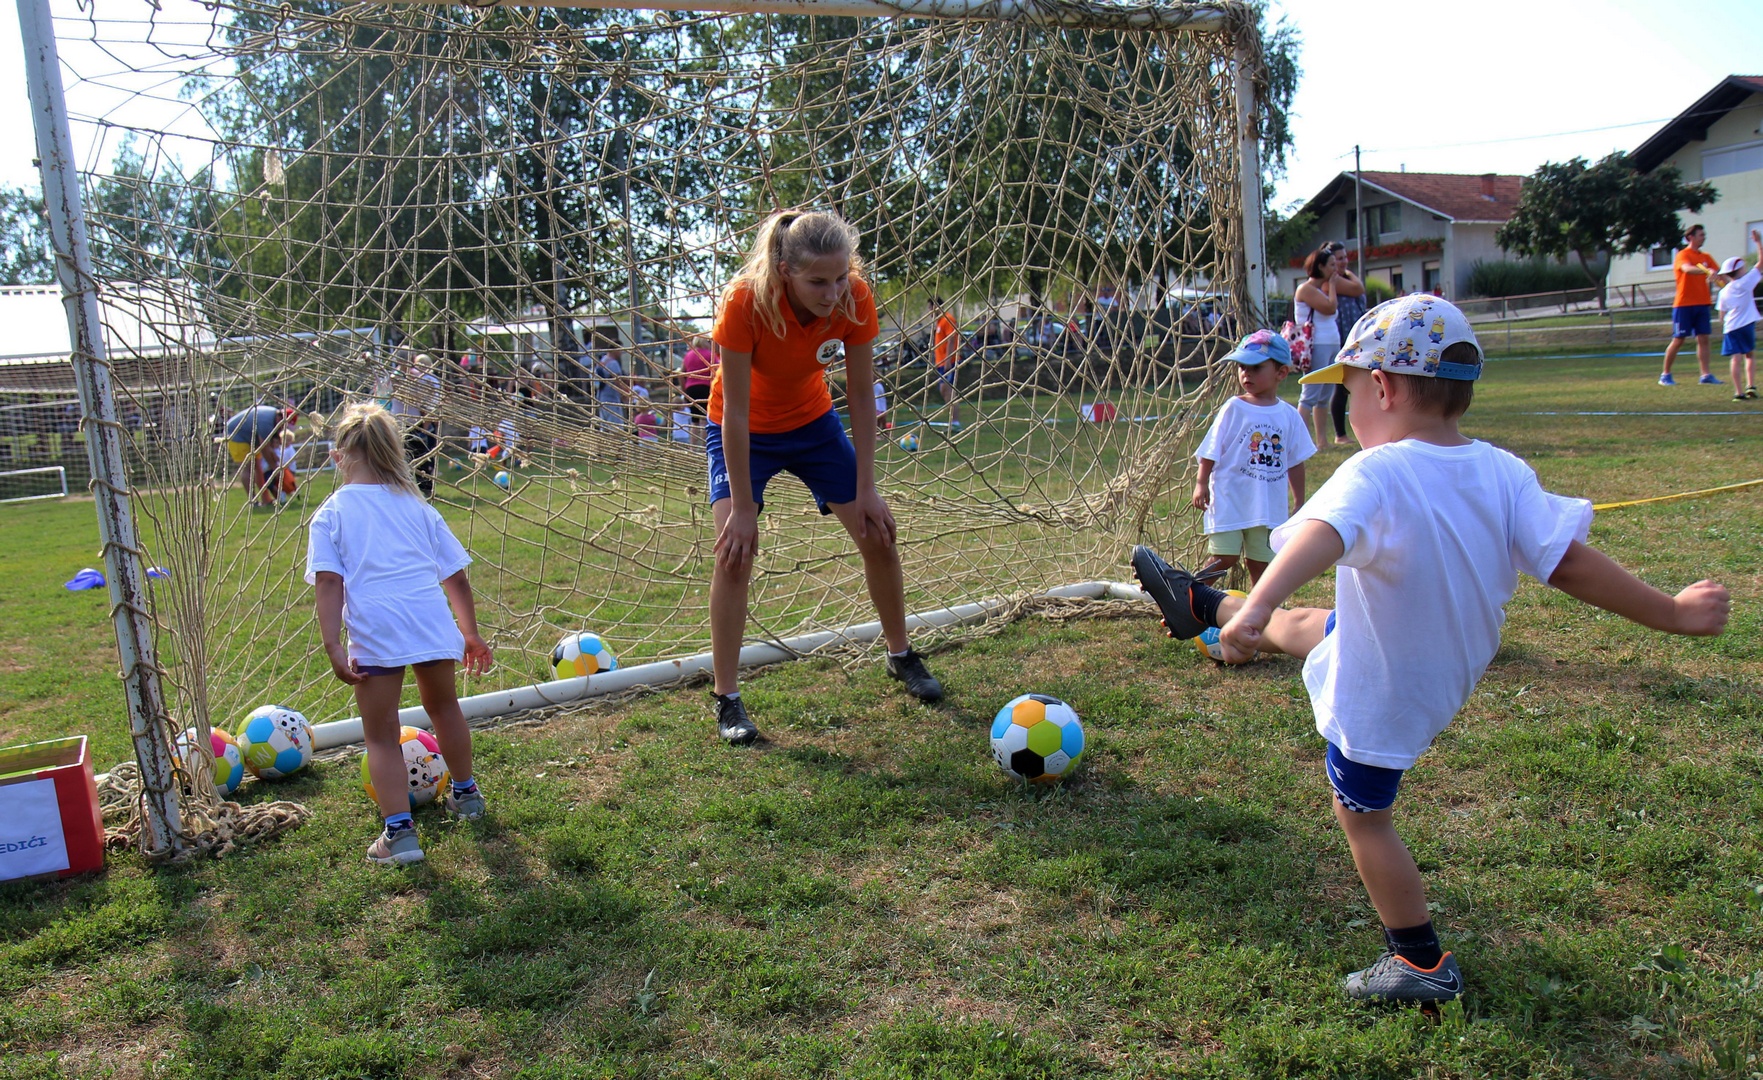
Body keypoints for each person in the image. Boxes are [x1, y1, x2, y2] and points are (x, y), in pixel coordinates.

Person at [1131, 295, 1731, 1006]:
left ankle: (1418, 963)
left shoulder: (1375, 471)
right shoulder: (1503, 470)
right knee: (1321, 624)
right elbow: (1565, 562)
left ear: (1379, 387)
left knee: (1362, 817)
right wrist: (1670, 612)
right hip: (1447, 663)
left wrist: (1259, 600)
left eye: (1345, 393)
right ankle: (1204, 608)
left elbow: (1319, 535)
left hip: (1386, 689)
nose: (1344, 412)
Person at [706, 209, 944, 745]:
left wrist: (868, 488)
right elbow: (736, 414)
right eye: (818, 281)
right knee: (734, 553)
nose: (833, 291)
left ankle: (901, 656)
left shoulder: (855, 298)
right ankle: (727, 699)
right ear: (783, 269)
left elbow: (861, 395)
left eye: (840, 277)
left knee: (877, 535)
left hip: (814, 424)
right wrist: (743, 509)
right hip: (742, 429)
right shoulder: (745, 301)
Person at [306, 402, 494, 866]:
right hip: (430, 622)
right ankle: (467, 797)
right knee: (445, 708)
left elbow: (330, 583)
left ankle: (400, 836)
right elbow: (457, 578)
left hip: (376, 632)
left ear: (337, 457)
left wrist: (332, 644)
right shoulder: (418, 506)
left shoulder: (330, 514)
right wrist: (469, 634)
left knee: (381, 734)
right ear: (395, 452)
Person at [1190, 330, 1313, 587]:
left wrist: (1300, 500)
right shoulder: (1233, 408)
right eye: (1242, 367)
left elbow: (1295, 461)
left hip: (1268, 506)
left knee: (1261, 563)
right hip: (1230, 499)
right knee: (1224, 556)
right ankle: (1188, 598)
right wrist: (1201, 482)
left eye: (1255, 368)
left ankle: (1263, 612)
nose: (1246, 374)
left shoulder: (1289, 416)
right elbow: (1210, 449)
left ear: (1281, 373)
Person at [1661, 224, 1723, 386]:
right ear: (1691, 237)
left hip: (1702, 303)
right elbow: (1687, 269)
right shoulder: (1683, 255)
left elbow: (1718, 275)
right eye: (1701, 235)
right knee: (1679, 339)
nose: (1704, 237)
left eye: (1704, 234)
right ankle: (1665, 375)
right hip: (1684, 305)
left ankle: (1706, 375)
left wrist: (1724, 280)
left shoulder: (1706, 256)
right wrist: (1706, 271)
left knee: (1703, 338)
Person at [1293, 248, 1343, 448]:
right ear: (1320, 267)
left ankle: (1322, 441)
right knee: (1310, 395)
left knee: (1324, 397)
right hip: (1316, 344)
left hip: (1331, 343)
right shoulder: (1305, 289)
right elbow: (1330, 307)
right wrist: (1331, 286)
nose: (1335, 268)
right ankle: (1300, 443)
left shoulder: (1321, 289)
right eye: (1331, 264)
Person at [1325, 241, 1367, 446]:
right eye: (1338, 259)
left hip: (1355, 336)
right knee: (1341, 387)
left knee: (1353, 385)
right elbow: (1359, 288)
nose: (1344, 262)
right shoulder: (1333, 280)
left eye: (1345, 257)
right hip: (1343, 337)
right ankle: (1339, 434)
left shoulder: (1342, 278)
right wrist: (1347, 273)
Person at [385, 354, 443, 499]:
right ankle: (401, 489)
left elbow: (425, 399)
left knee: (421, 457)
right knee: (400, 457)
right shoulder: (394, 376)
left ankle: (426, 489)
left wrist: (426, 421)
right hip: (398, 423)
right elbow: (388, 393)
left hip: (416, 423)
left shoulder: (418, 377)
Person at [1716, 229, 1761, 401]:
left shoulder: (1724, 292)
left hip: (1731, 328)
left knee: (1735, 359)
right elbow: (1761, 263)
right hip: (1746, 325)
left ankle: (1738, 393)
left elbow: (1721, 315)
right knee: (1749, 355)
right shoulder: (1746, 282)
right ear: (1739, 270)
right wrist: (1758, 242)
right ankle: (1751, 386)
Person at [223, 403, 285, 506]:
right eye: (283, 424)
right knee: (248, 467)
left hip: (249, 438)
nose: (282, 428)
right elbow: (264, 447)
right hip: (235, 435)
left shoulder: (272, 416)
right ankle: (252, 501)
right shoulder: (267, 422)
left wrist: (272, 455)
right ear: (279, 417)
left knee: (257, 467)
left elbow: (266, 446)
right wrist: (275, 468)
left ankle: (266, 499)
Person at [679, 335, 718, 446]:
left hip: (691, 388)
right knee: (705, 419)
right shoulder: (710, 355)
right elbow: (717, 371)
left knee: (694, 420)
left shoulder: (688, 355)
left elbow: (681, 374)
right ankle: (703, 446)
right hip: (706, 387)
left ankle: (692, 447)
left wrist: (684, 391)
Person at [930, 298, 961, 431]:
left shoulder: (947, 319)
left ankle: (956, 422)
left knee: (947, 389)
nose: (930, 311)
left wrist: (948, 360)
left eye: (931, 308)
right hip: (940, 363)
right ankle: (953, 421)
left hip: (949, 362)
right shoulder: (938, 322)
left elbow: (951, 339)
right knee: (944, 390)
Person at [272, 428, 299, 508]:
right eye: (285, 439)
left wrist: (287, 465)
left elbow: (294, 458)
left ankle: (295, 491)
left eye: (289, 440)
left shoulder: (290, 449)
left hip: (290, 469)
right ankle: (283, 497)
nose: (286, 442)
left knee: (289, 482)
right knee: (282, 483)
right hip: (283, 468)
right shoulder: (281, 448)